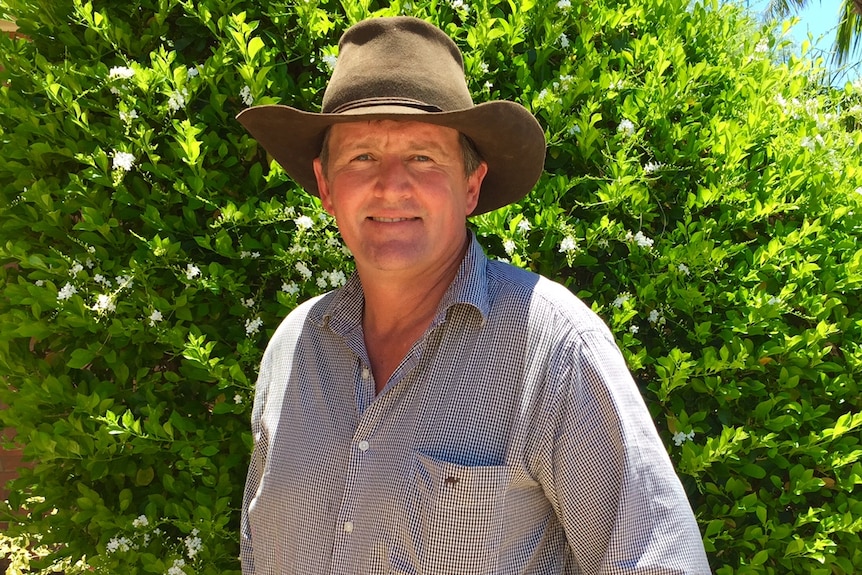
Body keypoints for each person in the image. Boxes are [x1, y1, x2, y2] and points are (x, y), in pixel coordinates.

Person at [236, 16, 711, 574]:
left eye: (422, 157)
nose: (391, 184)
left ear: (470, 184)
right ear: (325, 186)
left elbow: (657, 562)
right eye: (362, 156)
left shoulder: (554, 347)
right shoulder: (291, 350)